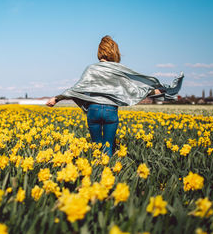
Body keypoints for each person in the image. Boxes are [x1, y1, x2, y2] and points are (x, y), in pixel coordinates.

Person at [46, 35, 184, 157]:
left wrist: (56, 98)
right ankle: (108, 176)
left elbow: (76, 89)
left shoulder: (91, 69)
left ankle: (94, 179)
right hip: (110, 111)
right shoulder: (118, 70)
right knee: (107, 149)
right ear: (115, 52)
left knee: (95, 148)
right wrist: (164, 90)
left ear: (99, 52)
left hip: (93, 111)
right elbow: (136, 90)